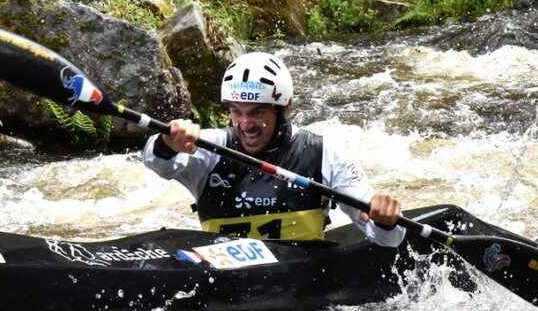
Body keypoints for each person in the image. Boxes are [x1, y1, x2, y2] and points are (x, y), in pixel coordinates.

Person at [143, 52, 404, 247]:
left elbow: (386, 239)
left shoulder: (323, 154)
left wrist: (385, 219)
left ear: (284, 109)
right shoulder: (210, 149)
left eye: (258, 112)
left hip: (299, 284)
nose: (245, 124)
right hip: (223, 285)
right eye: (237, 111)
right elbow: (158, 163)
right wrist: (168, 143)